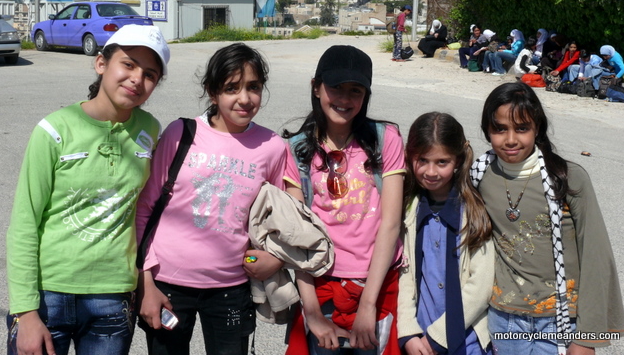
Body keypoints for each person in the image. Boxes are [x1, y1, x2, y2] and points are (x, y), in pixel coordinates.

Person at [6, 25, 171, 355]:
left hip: (111, 300)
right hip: (47, 296)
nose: (137, 78)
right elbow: (25, 224)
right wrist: (25, 312)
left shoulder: (151, 131)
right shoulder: (55, 129)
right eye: (128, 64)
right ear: (101, 64)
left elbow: (146, 215)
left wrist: (144, 279)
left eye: (150, 74)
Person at [136, 43, 294, 355]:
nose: (244, 99)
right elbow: (145, 209)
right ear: (212, 92)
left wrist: (275, 258)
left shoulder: (273, 146)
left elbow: (287, 217)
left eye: (254, 87)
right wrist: (146, 283)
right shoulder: (180, 133)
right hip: (167, 285)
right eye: (231, 88)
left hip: (231, 289)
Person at [471, 82, 624, 355]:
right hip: (504, 320)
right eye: (500, 129)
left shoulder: (568, 178)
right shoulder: (479, 175)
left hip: (560, 322)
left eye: (522, 128)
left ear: (537, 129)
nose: (510, 139)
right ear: (487, 130)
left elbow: (596, 255)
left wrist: (587, 338)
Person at [284, 45, 405, 354]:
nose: (345, 99)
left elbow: (390, 224)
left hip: (376, 288)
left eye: (356, 90)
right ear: (316, 86)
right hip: (322, 290)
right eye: (336, 87)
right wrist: (311, 313)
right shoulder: (296, 150)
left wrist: (368, 305)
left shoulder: (385, 139)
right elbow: (296, 235)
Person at [398, 112, 494, 355]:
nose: (431, 171)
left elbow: (481, 284)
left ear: (459, 160)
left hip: (467, 340)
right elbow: (404, 275)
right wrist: (408, 330)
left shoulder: (474, 211)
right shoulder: (408, 208)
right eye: (423, 160)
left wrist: (439, 335)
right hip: (419, 340)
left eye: (442, 162)